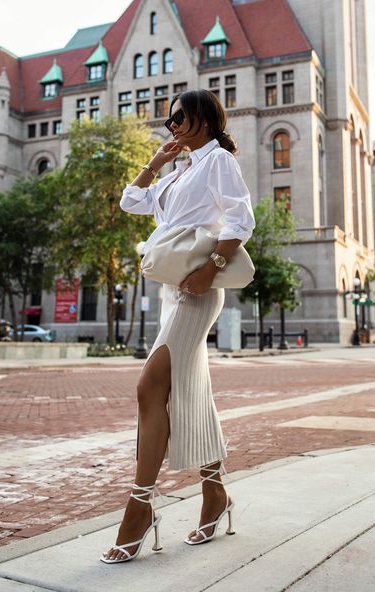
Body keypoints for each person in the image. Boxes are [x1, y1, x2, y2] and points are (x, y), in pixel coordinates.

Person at [101, 89, 255, 563]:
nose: (173, 126)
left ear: (206, 118)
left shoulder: (218, 162)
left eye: (180, 118)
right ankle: (215, 495)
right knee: (191, 394)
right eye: (169, 121)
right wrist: (154, 160)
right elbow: (131, 203)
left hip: (199, 289)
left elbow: (241, 219)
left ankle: (140, 507)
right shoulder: (181, 168)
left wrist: (209, 268)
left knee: (150, 387)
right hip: (172, 290)